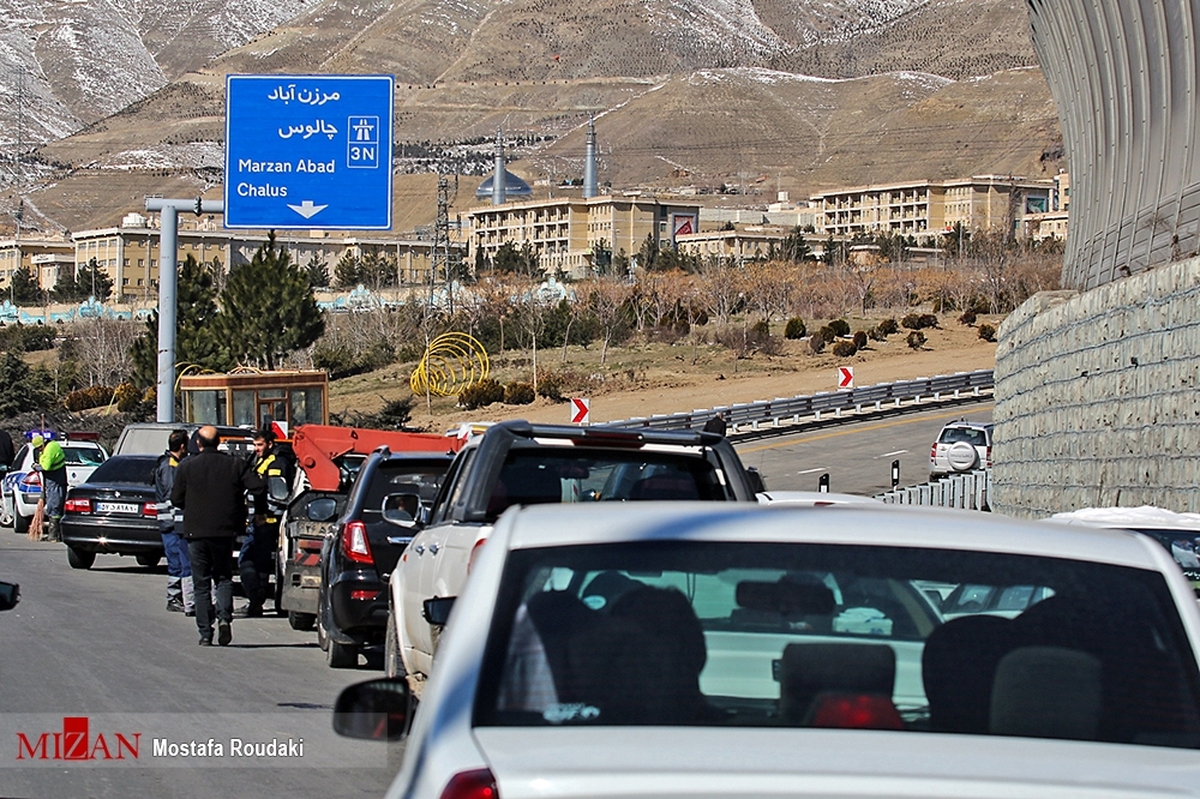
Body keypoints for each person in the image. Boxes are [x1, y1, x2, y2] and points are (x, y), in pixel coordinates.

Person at [171, 425, 264, 647]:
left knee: (201, 582)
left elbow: (176, 499)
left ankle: (205, 632)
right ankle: (224, 618)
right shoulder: (234, 464)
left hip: (196, 532)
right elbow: (258, 487)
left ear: (199, 444)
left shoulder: (187, 467)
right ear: (219, 442)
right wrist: (255, 510)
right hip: (224, 531)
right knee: (223, 577)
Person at [236, 425, 294, 618]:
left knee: (250, 560)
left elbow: (278, 495)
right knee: (256, 562)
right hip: (257, 520)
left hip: (267, 521)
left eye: (260, 444)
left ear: (270, 444)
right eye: (254, 444)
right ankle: (255, 601)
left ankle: (255, 600)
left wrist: (266, 517)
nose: (256, 448)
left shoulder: (275, 464)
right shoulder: (257, 460)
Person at [155, 429, 195, 616]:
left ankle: (177, 596)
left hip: (172, 522)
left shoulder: (172, 463)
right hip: (171, 523)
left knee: (178, 560)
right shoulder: (170, 466)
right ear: (182, 446)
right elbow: (173, 495)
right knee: (176, 562)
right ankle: (174, 597)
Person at [30, 433, 67, 543]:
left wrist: (36, 467)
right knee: (54, 506)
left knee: (54, 506)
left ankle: (54, 535)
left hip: (55, 481)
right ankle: (57, 534)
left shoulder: (50, 449)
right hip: (54, 481)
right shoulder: (51, 446)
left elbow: (46, 466)